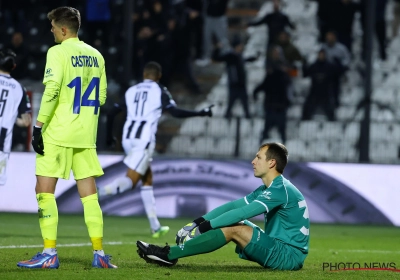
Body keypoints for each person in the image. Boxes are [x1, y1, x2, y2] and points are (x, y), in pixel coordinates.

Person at [17, 7, 116, 269]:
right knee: (89, 196)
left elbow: (52, 90)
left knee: (44, 191)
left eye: (52, 26)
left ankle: (49, 253)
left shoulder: (57, 52)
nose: (50, 30)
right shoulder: (96, 55)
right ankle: (100, 254)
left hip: (59, 132)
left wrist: (38, 126)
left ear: (63, 29)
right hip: (86, 135)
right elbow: (103, 97)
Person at [137, 142, 310, 270]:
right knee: (234, 222)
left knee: (235, 227)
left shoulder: (280, 190)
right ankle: (170, 254)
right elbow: (233, 206)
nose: (253, 161)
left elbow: (243, 212)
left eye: (258, 157)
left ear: (271, 163)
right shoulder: (271, 187)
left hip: (288, 257)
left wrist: (206, 227)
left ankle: (168, 255)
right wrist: (197, 222)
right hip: (279, 247)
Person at [99, 61, 213, 238]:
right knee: (130, 181)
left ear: (144, 75)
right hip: (143, 140)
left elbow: (112, 112)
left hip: (128, 139)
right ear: (158, 76)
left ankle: (155, 226)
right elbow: (174, 112)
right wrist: (200, 113)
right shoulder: (159, 90)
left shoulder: (131, 90)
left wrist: (108, 136)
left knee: (147, 179)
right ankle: (95, 193)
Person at [0, 49, 32, 185]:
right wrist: (12, 118)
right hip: (3, 140)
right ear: (13, 67)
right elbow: (26, 122)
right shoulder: (19, 88)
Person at [212, 38, 257, 119]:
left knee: (245, 103)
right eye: (240, 45)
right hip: (234, 84)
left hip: (241, 85)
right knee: (231, 103)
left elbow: (246, 60)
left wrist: (254, 58)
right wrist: (217, 48)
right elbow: (216, 58)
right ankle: (227, 117)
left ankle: (247, 118)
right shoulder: (230, 56)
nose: (241, 47)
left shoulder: (239, 56)